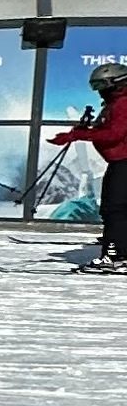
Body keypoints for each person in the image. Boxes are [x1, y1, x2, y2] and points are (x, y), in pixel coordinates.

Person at [50, 61, 127, 267]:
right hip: (119, 162)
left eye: (101, 86)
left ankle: (116, 256)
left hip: (124, 163)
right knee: (114, 209)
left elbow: (114, 134)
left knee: (115, 209)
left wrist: (78, 134)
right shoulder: (115, 103)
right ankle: (118, 248)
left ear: (116, 83)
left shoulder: (123, 103)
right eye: (95, 87)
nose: (99, 92)